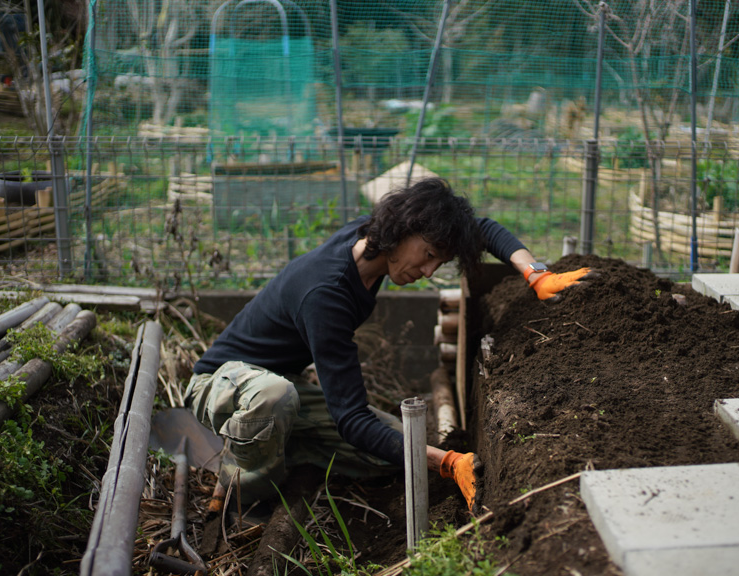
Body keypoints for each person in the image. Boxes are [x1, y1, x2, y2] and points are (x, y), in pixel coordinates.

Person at [185, 177, 591, 511]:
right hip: (223, 385)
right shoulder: (325, 294)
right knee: (275, 399)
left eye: (439, 261)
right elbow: (351, 417)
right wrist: (446, 463)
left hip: (282, 384)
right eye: (428, 255)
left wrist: (535, 272)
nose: (430, 270)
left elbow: (480, 228)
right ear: (402, 233)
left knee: (390, 454)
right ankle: (244, 494)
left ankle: (279, 442)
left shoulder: (374, 237)